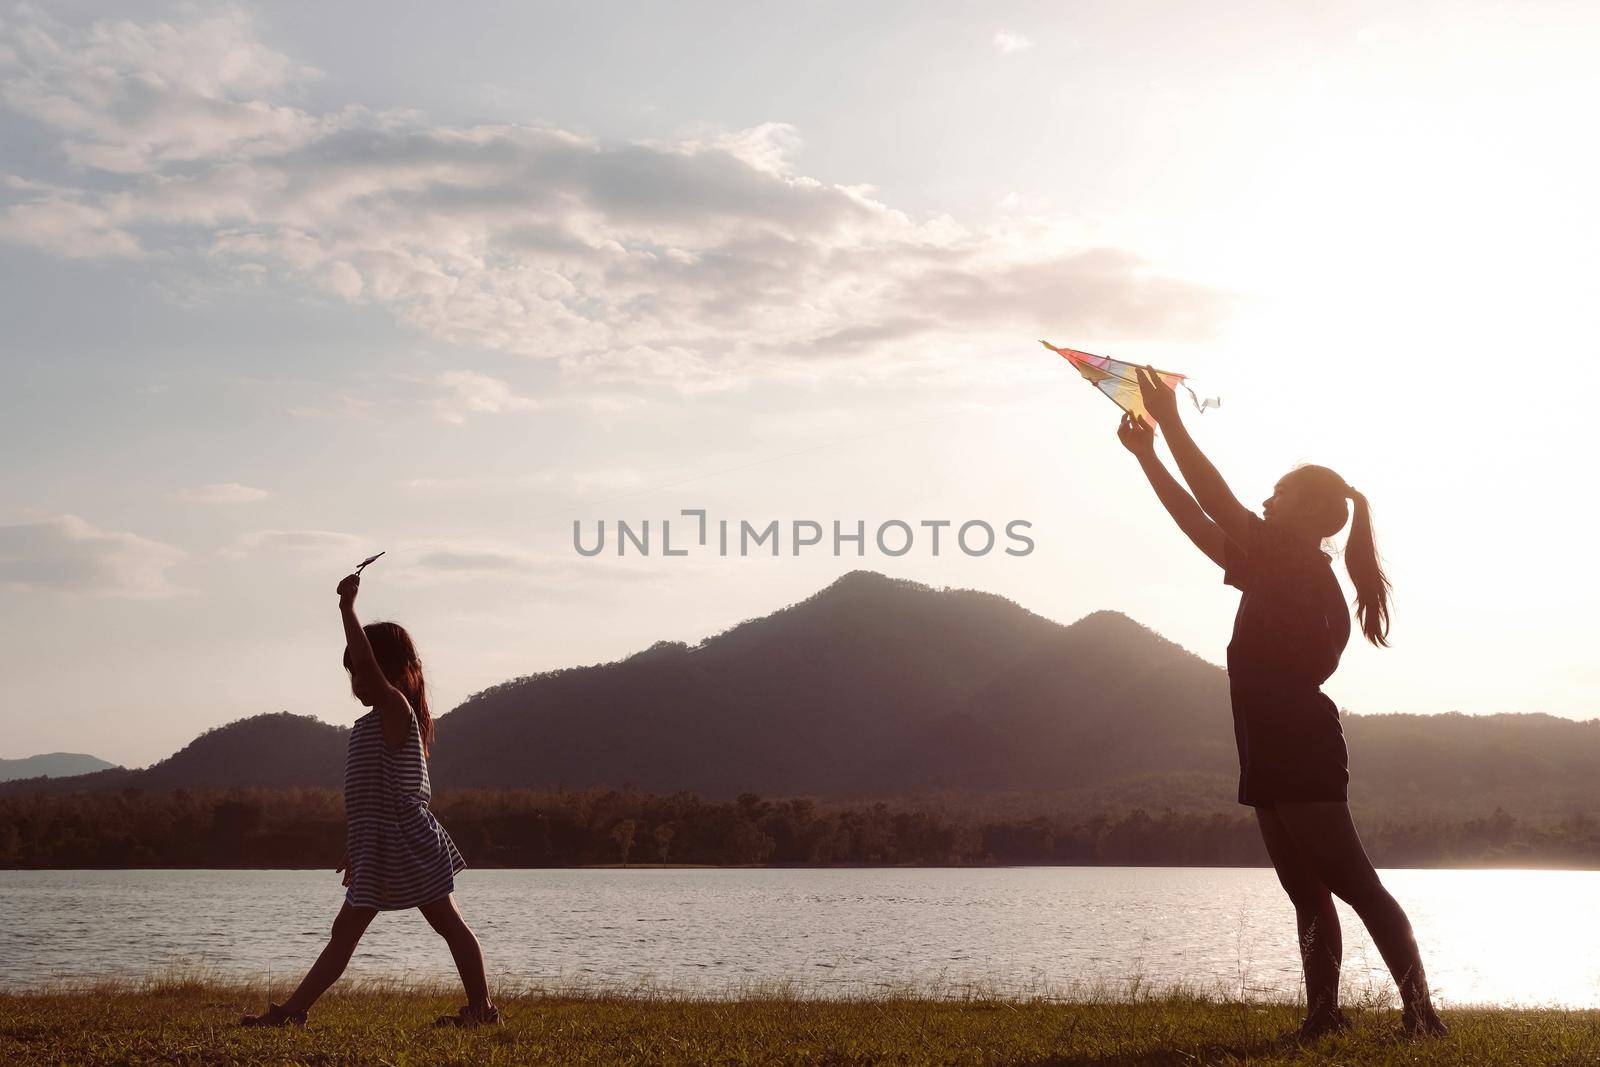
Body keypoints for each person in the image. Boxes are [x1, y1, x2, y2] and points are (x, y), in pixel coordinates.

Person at [1117, 365, 1446, 1040]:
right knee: (1305, 888)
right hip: (1265, 741)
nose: (1267, 498)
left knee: (1353, 880)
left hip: (1295, 740)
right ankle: (1324, 1015)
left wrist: (1172, 422)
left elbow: (1217, 501)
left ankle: (1423, 1015)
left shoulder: (1295, 563)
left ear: (1309, 514)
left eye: (1280, 491)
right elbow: (1200, 522)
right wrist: (1150, 457)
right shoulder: (1275, 563)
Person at [241, 572, 498, 1028]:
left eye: (363, 670)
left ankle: (481, 1010)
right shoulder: (366, 727)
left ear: (396, 674)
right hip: (377, 844)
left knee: (448, 924)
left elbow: (375, 676)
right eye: (352, 674)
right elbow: (368, 799)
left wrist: (347, 610)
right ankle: (293, 1012)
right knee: (346, 932)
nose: (358, 681)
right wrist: (356, 846)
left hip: (410, 840)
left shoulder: (397, 710)